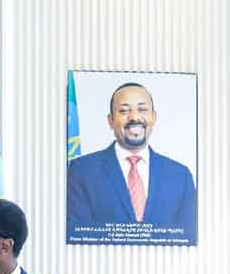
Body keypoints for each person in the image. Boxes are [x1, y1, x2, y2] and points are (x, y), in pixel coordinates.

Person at [66, 82, 196, 239]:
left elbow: (189, 238)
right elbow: (77, 237)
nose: (134, 117)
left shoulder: (180, 176)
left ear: (154, 117)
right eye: (124, 110)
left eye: (142, 109)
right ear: (110, 120)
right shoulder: (82, 171)